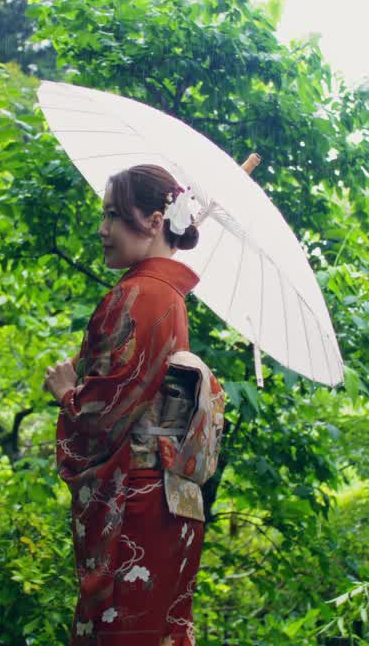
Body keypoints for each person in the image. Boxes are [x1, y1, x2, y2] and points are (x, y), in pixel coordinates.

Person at [44, 163, 215, 646]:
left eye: (115, 216)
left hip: (134, 498)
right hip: (169, 500)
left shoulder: (137, 295)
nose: (103, 230)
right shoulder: (168, 298)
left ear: (156, 222)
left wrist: (67, 393)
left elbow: (103, 419)